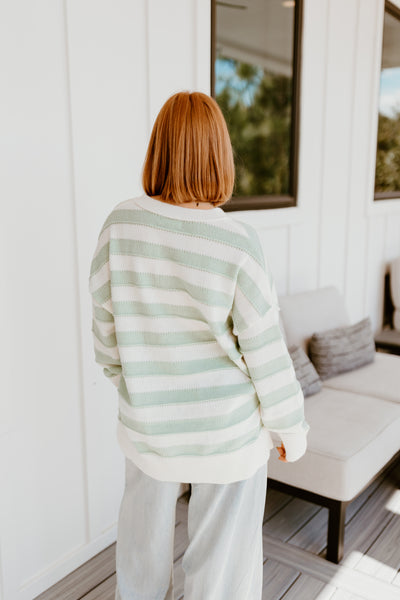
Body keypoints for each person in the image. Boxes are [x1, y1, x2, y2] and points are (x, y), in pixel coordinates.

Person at [88, 90, 309, 600]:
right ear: (220, 155)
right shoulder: (236, 241)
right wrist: (289, 430)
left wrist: (140, 390)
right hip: (227, 436)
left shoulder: (119, 227)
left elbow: (106, 338)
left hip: (147, 431)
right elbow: (267, 355)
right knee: (221, 575)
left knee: (139, 563)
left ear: (158, 150)